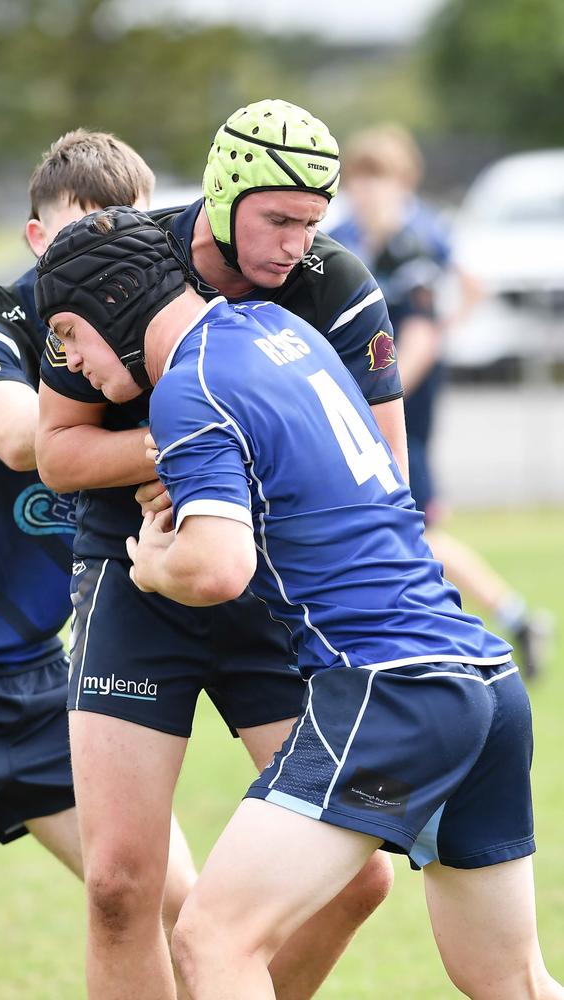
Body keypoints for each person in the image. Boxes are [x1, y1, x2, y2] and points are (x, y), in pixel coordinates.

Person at [35, 204, 563, 1000]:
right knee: (512, 981)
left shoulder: (191, 383)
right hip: (480, 681)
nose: (72, 363)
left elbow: (217, 570)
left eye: (70, 336)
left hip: (390, 694)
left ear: (112, 305)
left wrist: (151, 566)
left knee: (213, 942)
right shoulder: (285, 336)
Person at [35, 100, 400, 1000]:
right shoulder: (118, 263)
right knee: (121, 887)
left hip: (274, 594)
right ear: (224, 195)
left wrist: (227, 464)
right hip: (135, 571)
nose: (293, 245)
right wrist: (173, 453)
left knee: (357, 877)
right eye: (277, 219)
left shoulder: (334, 283)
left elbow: (385, 470)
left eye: (310, 223)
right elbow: (59, 452)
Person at [0, 130, 194, 958]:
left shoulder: (149, 360)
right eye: (85, 236)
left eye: (133, 236)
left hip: (42, 682)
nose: (115, 265)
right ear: (38, 240)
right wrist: (197, 434)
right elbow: (19, 440)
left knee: (192, 913)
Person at [329, 123, 552, 679]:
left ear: (402, 182)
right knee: (414, 528)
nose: (367, 192)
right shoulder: (353, 234)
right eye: (359, 181)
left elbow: (427, 327)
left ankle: (499, 623)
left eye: (378, 181)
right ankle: (502, 623)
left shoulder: (414, 239)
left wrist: (393, 376)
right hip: (375, 396)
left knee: (416, 528)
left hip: (398, 402)